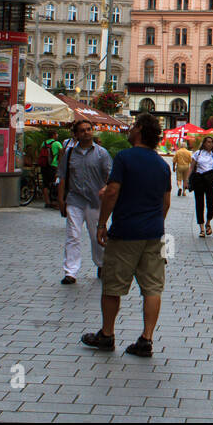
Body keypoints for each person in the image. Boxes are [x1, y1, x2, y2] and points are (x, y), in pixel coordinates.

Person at [80, 113, 171, 358]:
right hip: (154, 234)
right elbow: (166, 202)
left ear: (139, 129)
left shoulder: (124, 158)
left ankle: (107, 335)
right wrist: (154, 223)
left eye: (132, 127)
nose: (129, 130)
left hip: (125, 232)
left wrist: (101, 224)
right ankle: (146, 340)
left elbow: (112, 193)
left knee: (113, 286)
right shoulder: (162, 165)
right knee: (153, 288)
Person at [57, 120, 113, 285]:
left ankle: (101, 264)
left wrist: (107, 189)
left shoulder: (102, 154)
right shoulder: (69, 154)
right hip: (75, 200)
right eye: (82, 130)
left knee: (96, 235)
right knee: (72, 235)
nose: (86, 133)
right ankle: (70, 272)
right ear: (76, 134)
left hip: (95, 202)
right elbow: (63, 177)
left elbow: (111, 177)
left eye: (89, 129)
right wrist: (61, 200)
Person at [191, 135, 213, 237]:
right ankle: (202, 228)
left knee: (211, 203)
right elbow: (192, 167)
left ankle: (208, 223)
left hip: (210, 179)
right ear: (203, 143)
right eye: (207, 142)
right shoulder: (197, 154)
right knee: (199, 204)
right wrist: (186, 180)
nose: (209, 144)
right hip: (199, 179)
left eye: (211, 142)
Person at [38, 134, 63, 209]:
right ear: (54, 135)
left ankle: (47, 202)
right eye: (56, 135)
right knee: (54, 183)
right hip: (53, 165)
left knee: (45, 184)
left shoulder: (44, 143)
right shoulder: (57, 143)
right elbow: (62, 152)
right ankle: (53, 202)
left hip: (44, 166)